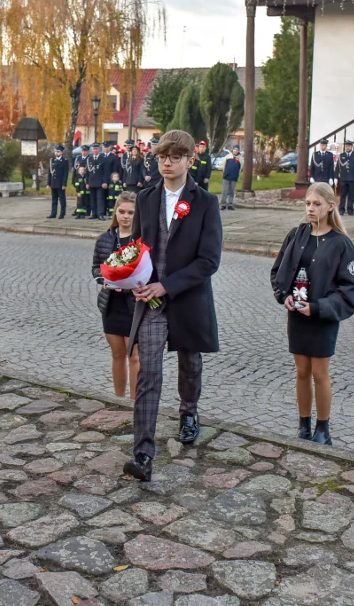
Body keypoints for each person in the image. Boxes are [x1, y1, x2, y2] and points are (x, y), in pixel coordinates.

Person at [122, 130, 223, 482]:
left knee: (189, 363)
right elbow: (136, 247)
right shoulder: (146, 198)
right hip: (150, 301)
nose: (167, 162)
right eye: (162, 156)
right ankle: (143, 453)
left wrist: (169, 284)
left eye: (175, 157)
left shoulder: (206, 202)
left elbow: (209, 261)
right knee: (148, 372)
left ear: (189, 161)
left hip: (188, 299)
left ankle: (189, 411)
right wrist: (130, 279)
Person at [270, 182, 354, 445]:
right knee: (301, 371)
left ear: (330, 206)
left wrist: (319, 307)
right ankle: (303, 425)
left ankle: (323, 428)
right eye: (308, 203)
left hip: (323, 318)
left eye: (316, 204)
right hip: (297, 315)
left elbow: (349, 288)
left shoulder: (341, 244)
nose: (311, 209)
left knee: (320, 372)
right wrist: (284, 296)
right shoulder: (296, 235)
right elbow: (278, 272)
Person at [92, 192, 140, 399]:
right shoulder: (105, 239)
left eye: (130, 212)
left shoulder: (141, 239)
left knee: (135, 356)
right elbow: (96, 268)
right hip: (111, 304)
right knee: (117, 353)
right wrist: (105, 281)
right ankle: (119, 398)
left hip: (134, 304)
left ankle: (135, 402)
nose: (125, 216)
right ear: (116, 212)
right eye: (122, 211)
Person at [337, 141, 354, 216]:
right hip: (343, 178)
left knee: (351, 195)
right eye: (346, 146)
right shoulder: (341, 155)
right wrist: (335, 177)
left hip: (352, 178)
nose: (347, 147)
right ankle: (341, 209)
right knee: (342, 195)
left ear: (351, 147)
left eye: (349, 146)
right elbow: (338, 167)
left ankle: (350, 210)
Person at [46, 144, 69, 220]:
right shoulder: (52, 160)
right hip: (53, 183)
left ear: (61, 152)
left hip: (60, 183)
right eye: (56, 151)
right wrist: (48, 183)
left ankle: (62, 214)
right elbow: (50, 173)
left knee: (62, 199)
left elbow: (65, 174)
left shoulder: (64, 161)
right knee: (54, 199)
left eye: (58, 152)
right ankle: (53, 213)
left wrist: (64, 184)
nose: (56, 153)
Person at [86, 143, 108, 219]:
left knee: (100, 198)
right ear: (92, 150)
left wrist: (105, 182)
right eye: (94, 149)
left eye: (96, 149)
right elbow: (88, 172)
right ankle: (94, 213)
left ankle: (100, 214)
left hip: (100, 182)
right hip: (91, 181)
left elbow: (105, 171)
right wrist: (87, 182)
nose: (95, 150)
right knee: (92, 198)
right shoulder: (89, 159)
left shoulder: (103, 158)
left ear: (99, 149)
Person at [221, 144, 241, 211]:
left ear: (238, 151)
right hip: (226, 176)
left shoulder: (240, 158)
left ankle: (230, 204)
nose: (235, 151)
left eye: (237, 150)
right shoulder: (227, 157)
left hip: (234, 177)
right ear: (232, 150)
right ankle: (223, 204)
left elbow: (241, 167)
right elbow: (224, 166)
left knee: (232, 191)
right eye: (234, 149)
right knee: (225, 191)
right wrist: (225, 172)